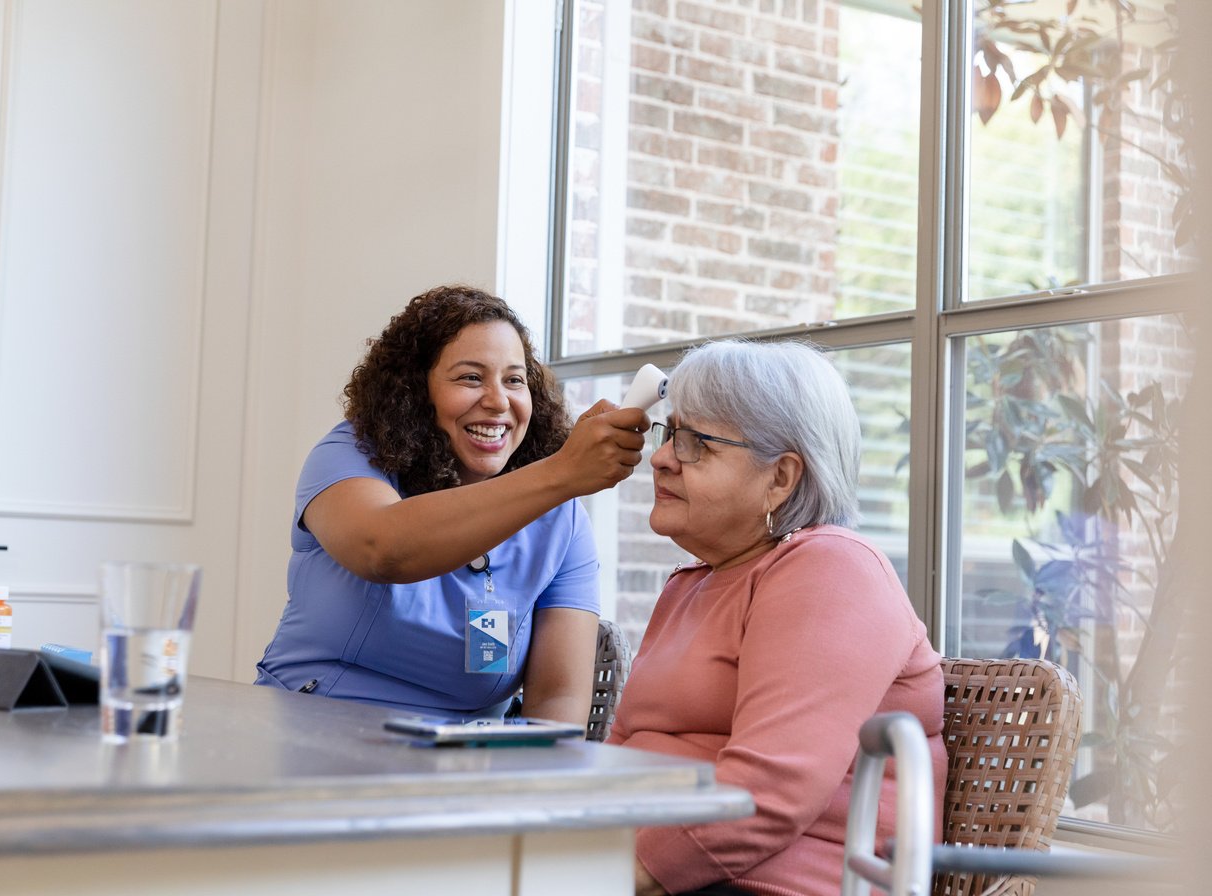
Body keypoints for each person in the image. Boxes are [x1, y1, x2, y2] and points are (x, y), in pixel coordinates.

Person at [606, 339, 947, 896]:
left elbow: (766, 791)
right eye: (669, 434)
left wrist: (604, 876)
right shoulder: (693, 584)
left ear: (781, 478)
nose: (662, 457)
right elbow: (617, 754)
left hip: (758, 884)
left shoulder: (830, 568)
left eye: (696, 444)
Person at [255, 285, 648, 724]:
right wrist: (561, 472)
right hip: (314, 738)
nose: (499, 401)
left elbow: (558, 704)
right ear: (415, 392)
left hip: (465, 767)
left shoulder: (561, 518)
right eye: (470, 378)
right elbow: (383, 548)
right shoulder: (351, 454)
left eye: (514, 380)